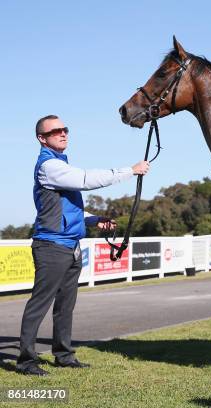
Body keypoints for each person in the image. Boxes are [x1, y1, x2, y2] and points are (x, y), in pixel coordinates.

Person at [16, 114, 150, 376]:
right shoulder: (49, 166)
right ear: (42, 139)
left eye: (64, 129)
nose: (63, 133)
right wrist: (129, 171)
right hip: (52, 247)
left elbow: (68, 209)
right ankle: (26, 361)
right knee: (39, 305)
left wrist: (93, 219)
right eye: (55, 131)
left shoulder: (59, 164)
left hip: (70, 246)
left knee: (66, 306)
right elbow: (86, 180)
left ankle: (64, 355)